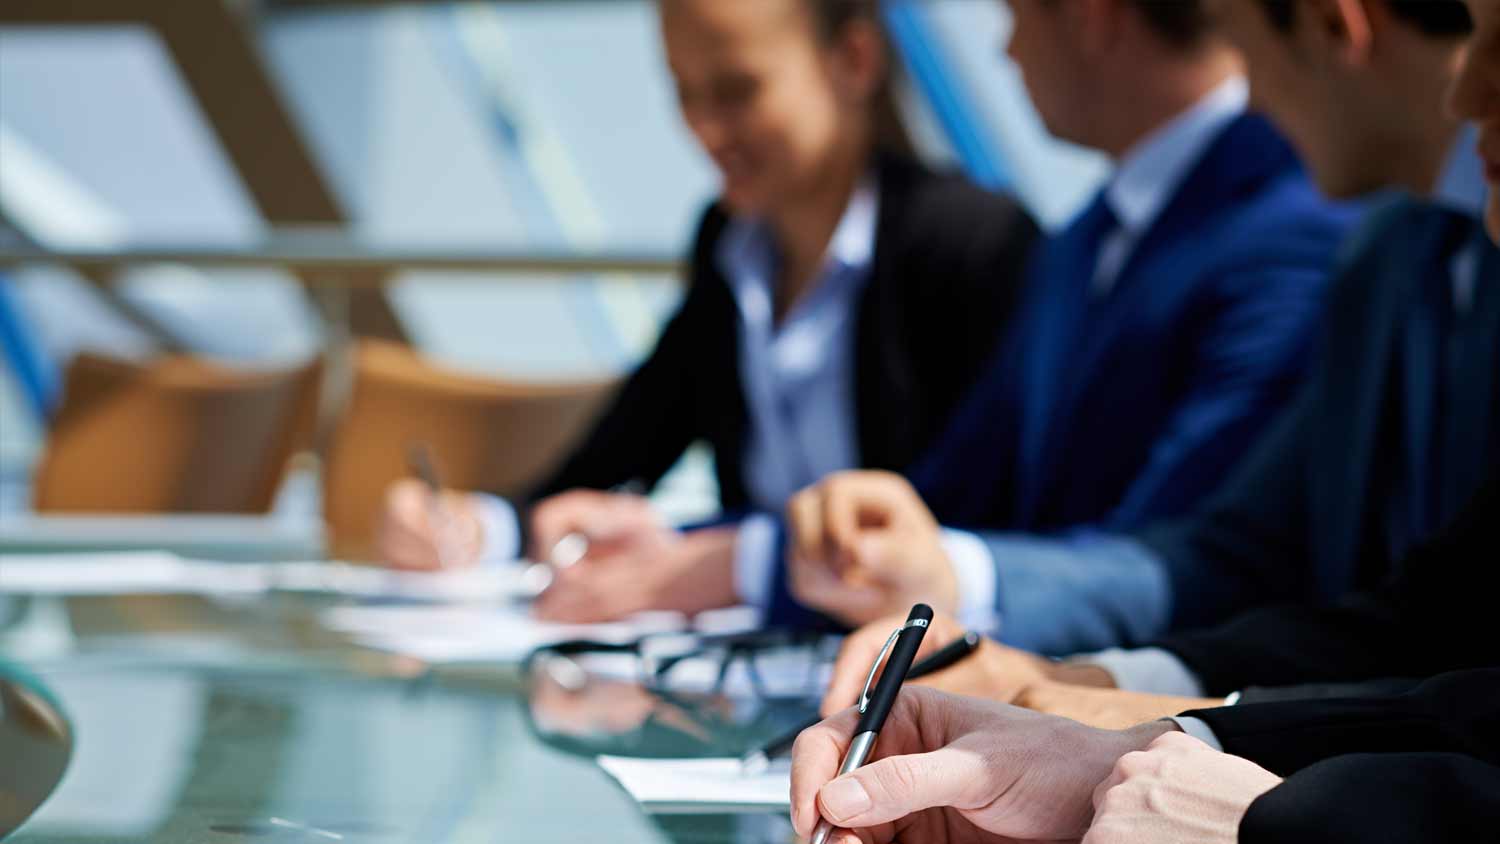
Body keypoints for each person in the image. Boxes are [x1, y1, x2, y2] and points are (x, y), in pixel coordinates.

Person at [791, 2, 1500, 837]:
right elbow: (1407, 620)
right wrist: (1106, 708)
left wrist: (1251, 804)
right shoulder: (1389, 252)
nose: (1464, 89)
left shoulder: (1298, 232)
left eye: (1238, 46)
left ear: (1337, 25)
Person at [374, 0, 1039, 606]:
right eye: (684, 93)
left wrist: (716, 563)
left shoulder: (970, 244)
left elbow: (969, 521)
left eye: (736, 91)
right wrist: (476, 530)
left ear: (855, 61)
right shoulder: (729, 247)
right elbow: (621, 451)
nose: (704, 129)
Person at [773, 0, 1359, 648]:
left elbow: (1190, 558)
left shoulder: (1302, 227)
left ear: (1092, 17)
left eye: (1015, 17)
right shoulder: (1082, 240)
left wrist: (962, 577)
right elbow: (959, 484)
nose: (1007, 51)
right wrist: (806, 546)